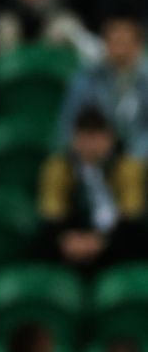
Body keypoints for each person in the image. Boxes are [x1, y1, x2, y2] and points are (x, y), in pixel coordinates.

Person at [40, 105, 146, 271]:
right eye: (84, 138)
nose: (90, 146)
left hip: (114, 241)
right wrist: (69, 239)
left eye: (96, 138)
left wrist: (101, 241)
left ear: (109, 138)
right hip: (72, 239)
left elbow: (131, 214)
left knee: (134, 239)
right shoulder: (59, 167)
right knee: (44, 243)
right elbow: (52, 212)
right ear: (74, 138)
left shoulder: (128, 167)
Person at [57, 12, 148, 158]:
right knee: (56, 169)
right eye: (115, 42)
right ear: (105, 44)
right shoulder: (87, 78)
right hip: (91, 151)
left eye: (125, 43)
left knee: (129, 172)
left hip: (138, 154)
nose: (120, 50)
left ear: (138, 46)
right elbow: (68, 122)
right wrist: (82, 145)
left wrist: (134, 154)